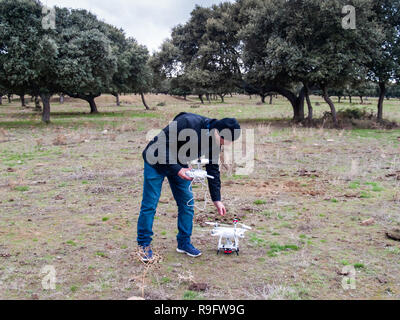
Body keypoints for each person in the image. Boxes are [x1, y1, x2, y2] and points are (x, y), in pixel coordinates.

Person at [136, 112, 241, 262]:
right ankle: (143, 245)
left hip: (179, 164)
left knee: (187, 204)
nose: (221, 145)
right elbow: (160, 147)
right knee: (150, 205)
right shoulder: (187, 122)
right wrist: (178, 169)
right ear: (217, 131)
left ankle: (184, 243)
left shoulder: (215, 142)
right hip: (156, 160)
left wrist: (216, 199)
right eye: (223, 141)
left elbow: (212, 169)